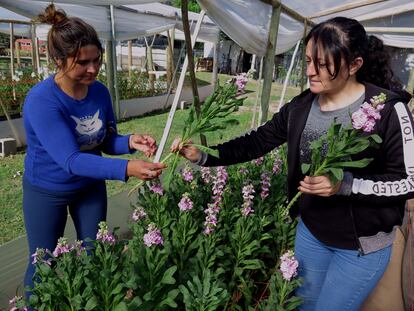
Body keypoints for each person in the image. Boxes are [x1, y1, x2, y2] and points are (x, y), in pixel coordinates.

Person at [172, 16, 414, 310]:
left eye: (323, 64)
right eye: (308, 60)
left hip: (360, 247)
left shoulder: (389, 110)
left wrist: (346, 185)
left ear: (354, 65)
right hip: (311, 233)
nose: (311, 71)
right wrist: (204, 156)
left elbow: (407, 181)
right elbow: (257, 141)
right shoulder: (302, 106)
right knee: (300, 306)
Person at [22, 4, 166, 291]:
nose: (92, 69)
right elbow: (72, 159)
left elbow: (103, 139)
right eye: (82, 62)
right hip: (47, 190)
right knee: (43, 264)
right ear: (58, 60)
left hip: (89, 187)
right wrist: (127, 168)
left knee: (98, 255)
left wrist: (128, 142)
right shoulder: (42, 101)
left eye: (97, 60)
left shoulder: (99, 91)